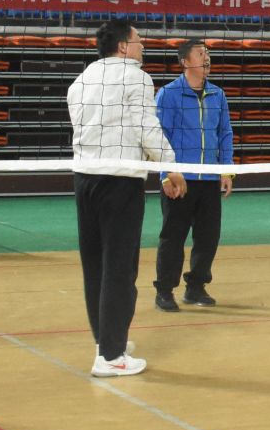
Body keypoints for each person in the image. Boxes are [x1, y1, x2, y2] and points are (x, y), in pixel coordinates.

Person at [67, 20, 185, 377]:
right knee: (119, 267)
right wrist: (171, 167)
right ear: (123, 46)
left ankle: (106, 340)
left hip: (84, 178)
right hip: (119, 181)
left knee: (95, 265)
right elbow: (146, 127)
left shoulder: (82, 79)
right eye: (138, 41)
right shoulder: (137, 78)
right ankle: (111, 357)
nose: (142, 46)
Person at [153, 38, 235, 313]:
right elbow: (158, 138)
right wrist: (165, 175)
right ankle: (165, 291)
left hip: (209, 178)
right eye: (200, 54)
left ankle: (196, 286)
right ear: (185, 62)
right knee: (173, 237)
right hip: (180, 179)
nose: (207, 58)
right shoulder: (168, 94)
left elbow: (225, 134)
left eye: (208, 53)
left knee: (208, 237)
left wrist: (226, 170)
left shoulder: (217, 95)